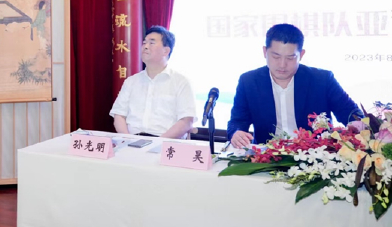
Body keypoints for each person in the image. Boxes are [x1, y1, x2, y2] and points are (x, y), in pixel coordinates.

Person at [228, 23, 363, 148]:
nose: (282, 64)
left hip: (316, 155)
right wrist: (236, 133)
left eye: (290, 58)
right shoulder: (249, 81)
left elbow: (352, 114)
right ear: (265, 52)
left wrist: (356, 127)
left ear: (301, 55)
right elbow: (237, 121)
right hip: (266, 156)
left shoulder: (322, 80)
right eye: (276, 57)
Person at [109, 26, 197, 138]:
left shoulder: (181, 82)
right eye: (144, 42)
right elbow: (119, 115)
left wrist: (158, 143)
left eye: (151, 43)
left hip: (166, 143)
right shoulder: (131, 81)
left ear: (166, 51)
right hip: (131, 141)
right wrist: (127, 139)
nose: (145, 46)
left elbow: (186, 120)